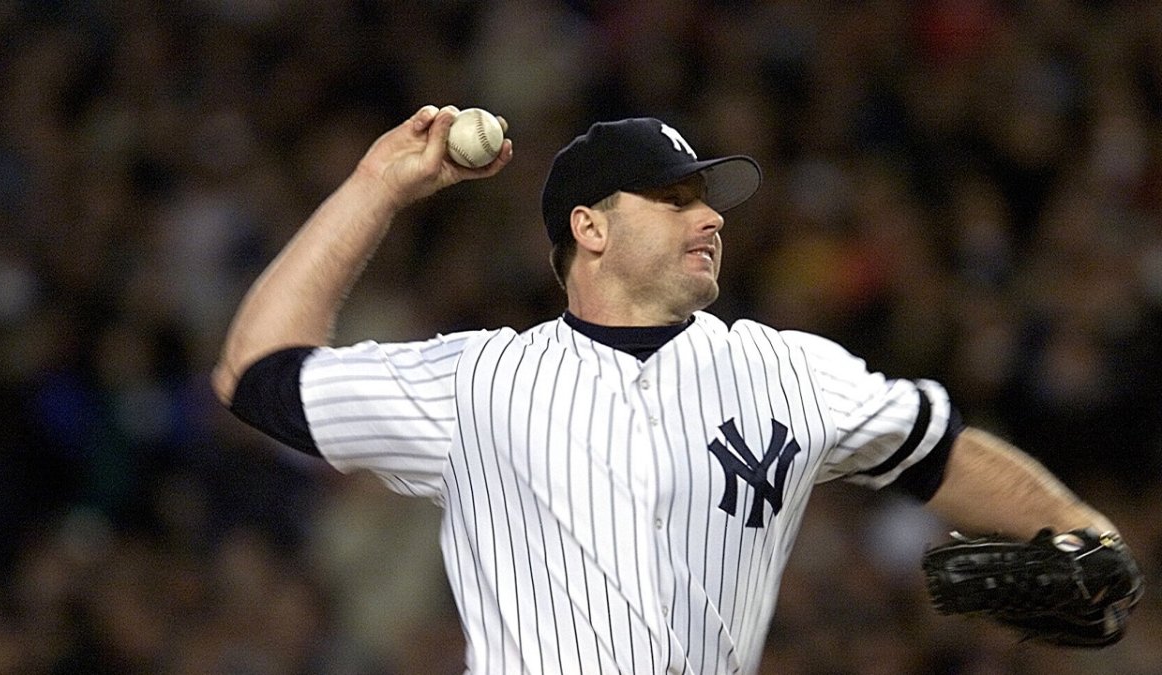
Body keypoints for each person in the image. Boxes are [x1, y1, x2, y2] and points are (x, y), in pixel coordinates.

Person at [212, 105, 1124, 674]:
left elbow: (937, 447)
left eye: (708, 196)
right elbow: (256, 372)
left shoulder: (788, 369)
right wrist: (378, 185)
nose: (712, 214)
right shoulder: (477, 380)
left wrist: (1077, 523)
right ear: (590, 228)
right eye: (675, 197)